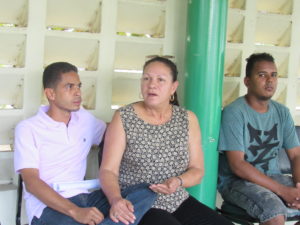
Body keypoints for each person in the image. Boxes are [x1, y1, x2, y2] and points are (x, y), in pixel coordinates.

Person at [14, 62, 156, 225]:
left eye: (79, 86)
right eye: (69, 87)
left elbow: (114, 132)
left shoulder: (84, 119)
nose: (78, 93)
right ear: (50, 94)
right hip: (48, 206)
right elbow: (32, 183)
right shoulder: (28, 128)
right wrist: (76, 212)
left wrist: (149, 123)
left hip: (86, 198)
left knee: (146, 191)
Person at [99, 56, 234, 225]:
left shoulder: (187, 119)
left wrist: (178, 181)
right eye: (146, 78)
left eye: (160, 80)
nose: (151, 85)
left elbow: (197, 170)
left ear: (173, 87)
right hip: (139, 202)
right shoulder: (124, 117)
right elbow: (108, 170)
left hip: (176, 200)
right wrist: (116, 200)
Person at [218, 52, 300, 225]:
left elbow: (296, 155)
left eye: (274, 75)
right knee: (274, 211)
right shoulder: (234, 112)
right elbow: (237, 165)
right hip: (237, 182)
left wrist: (298, 186)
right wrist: (283, 191)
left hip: (272, 176)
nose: (270, 80)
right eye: (262, 75)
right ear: (247, 81)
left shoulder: (282, 112)